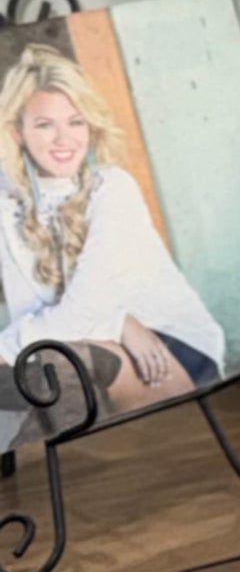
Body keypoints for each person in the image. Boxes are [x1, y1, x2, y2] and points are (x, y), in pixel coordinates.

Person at [0, 46, 224, 413]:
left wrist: (3, 348)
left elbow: (80, 313)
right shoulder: (8, 200)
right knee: (37, 368)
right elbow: (31, 312)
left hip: (167, 346)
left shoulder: (113, 188)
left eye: (76, 122)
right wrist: (120, 323)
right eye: (45, 124)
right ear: (18, 131)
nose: (64, 139)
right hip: (88, 340)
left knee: (52, 362)